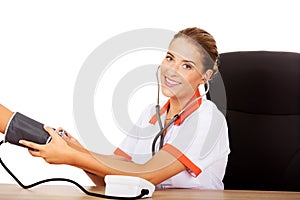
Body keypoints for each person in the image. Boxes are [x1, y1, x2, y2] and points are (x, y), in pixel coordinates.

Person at [1, 27, 230, 189]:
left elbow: (147, 175)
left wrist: (70, 157)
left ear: (204, 77)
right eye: (170, 58)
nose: (171, 70)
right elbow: (114, 172)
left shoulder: (207, 120)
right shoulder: (152, 114)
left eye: (186, 65)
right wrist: (77, 149)